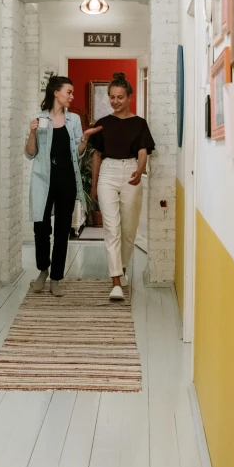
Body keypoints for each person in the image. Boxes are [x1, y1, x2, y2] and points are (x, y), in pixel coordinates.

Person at [25, 76, 102, 296]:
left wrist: (84, 139)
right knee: (41, 228)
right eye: (69, 91)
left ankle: (56, 278)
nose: (72, 96)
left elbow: (76, 153)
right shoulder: (39, 119)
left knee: (61, 231)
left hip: (67, 179)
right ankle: (42, 271)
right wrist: (32, 133)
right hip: (43, 179)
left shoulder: (74, 120)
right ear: (56, 92)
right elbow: (30, 153)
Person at [90, 72, 155, 300]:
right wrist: (94, 184)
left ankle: (123, 268)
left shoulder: (139, 124)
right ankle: (116, 280)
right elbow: (97, 155)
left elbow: (143, 149)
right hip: (107, 172)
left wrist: (140, 168)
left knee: (128, 230)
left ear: (129, 97)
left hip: (130, 172)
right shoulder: (102, 124)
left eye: (120, 97)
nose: (115, 101)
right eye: (112, 97)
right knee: (111, 227)